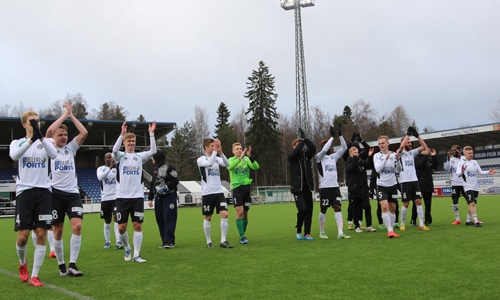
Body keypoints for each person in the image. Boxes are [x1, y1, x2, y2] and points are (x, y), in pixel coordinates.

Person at [9, 110, 57, 287]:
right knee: (23, 237)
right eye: (32, 122)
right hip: (25, 192)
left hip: (44, 192)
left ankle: (35, 275)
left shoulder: (47, 142)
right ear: (24, 124)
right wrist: (31, 140)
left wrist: (41, 138)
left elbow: (53, 155)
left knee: (41, 233)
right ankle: (23, 264)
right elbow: (14, 156)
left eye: (38, 121)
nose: (35, 124)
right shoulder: (17, 143)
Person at [44, 103, 88, 277]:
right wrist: (63, 115)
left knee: (77, 226)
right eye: (60, 134)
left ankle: (72, 264)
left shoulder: (71, 148)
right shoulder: (50, 148)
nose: (64, 137)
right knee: (58, 230)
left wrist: (72, 116)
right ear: (55, 137)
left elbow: (84, 133)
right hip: (55, 194)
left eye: (65, 134)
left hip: (72, 195)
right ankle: (61, 265)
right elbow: (47, 132)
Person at [112, 120, 157, 262]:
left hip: (137, 196)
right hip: (122, 197)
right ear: (124, 143)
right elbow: (113, 151)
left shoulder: (139, 157)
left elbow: (153, 151)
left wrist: (151, 134)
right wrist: (121, 134)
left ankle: (137, 254)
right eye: (129, 141)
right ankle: (127, 248)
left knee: (137, 225)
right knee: (121, 228)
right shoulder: (120, 156)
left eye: (133, 141)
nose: (131, 143)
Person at [316, 126, 350, 239]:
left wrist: (340, 136)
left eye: (331, 147)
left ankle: (340, 232)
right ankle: (321, 232)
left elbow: (344, 148)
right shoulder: (319, 157)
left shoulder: (333, 157)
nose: (329, 149)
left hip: (335, 187)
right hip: (324, 188)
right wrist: (331, 137)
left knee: (337, 207)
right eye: (328, 147)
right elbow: (324, 150)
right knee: (323, 209)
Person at [197, 138, 232, 248]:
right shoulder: (201, 159)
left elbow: (227, 164)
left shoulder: (217, 157)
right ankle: (208, 241)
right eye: (212, 146)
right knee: (208, 217)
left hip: (219, 192)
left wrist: (221, 152)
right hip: (207, 193)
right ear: (206, 147)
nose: (213, 148)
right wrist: (216, 152)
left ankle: (223, 240)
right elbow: (209, 163)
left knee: (225, 214)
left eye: (214, 146)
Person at [396, 126, 429, 231]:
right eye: (408, 142)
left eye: (410, 142)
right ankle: (402, 224)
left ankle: (421, 224)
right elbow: (401, 147)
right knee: (406, 203)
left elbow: (424, 146)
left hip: (415, 181)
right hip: (405, 182)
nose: (409, 143)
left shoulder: (412, 152)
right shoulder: (400, 153)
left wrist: (418, 136)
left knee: (418, 202)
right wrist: (407, 135)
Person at [227, 142, 260, 245]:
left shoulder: (246, 160)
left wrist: (250, 157)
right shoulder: (231, 160)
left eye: (240, 148)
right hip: (237, 188)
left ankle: (242, 234)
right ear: (233, 151)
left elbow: (256, 167)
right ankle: (242, 237)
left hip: (246, 189)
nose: (239, 150)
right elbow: (230, 167)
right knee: (239, 212)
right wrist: (239, 158)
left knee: (245, 213)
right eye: (237, 149)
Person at [455, 146, 496, 227]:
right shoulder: (461, 163)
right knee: (472, 203)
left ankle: (467, 220)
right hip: (468, 186)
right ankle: (476, 221)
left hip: (475, 186)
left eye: (472, 153)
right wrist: (462, 171)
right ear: (465, 153)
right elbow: (458, 174)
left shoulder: (475, 162)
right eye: (469, 153)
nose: (471, 154)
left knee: (472, 204)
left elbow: (480, 172)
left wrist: (488, 172)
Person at [343, 132, 375, 232]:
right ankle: (356, 226)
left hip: (363, 188)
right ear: (351, 153)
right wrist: (354, 159)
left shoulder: (361, 161)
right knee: (355, 208)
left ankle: (369, 225)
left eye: (357, 152)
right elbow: (351, 168)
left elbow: (367, 164)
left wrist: (368, 155)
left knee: (367, 207)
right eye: (355, 152)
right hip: (354, 189)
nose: (357, 154)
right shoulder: (348, 161)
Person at [288, 128, 316, 240]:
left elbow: (313, 148)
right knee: (302, 210)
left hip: (307, 188)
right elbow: (298, 150)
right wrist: (302, 141)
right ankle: (299, 229)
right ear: (294, 146)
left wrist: (306, 139)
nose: (301, 146)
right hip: (297, 189)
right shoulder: (292, 156)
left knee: (309, 212)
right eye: (298, 145)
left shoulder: (306, 156)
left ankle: (307, 233)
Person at [148, 150, 179, 249]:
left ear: (157, 158)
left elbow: (175, 180)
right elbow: (153, 183)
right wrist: (150, 197)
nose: (152, 159)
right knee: (160, 219)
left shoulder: (169, 167)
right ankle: (164, 240)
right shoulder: (155, 169)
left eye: (153, 157)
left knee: (169, 218)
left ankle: (169, 241)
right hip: (158, 197)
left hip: (169, 196)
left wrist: (166, 187)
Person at [373, 135, 402, 238]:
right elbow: (378, 169)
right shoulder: (377, 156)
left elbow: (398, 170)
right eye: (379, 144)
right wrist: (385, 159)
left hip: (392, 185)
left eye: (383, 143)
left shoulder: (394, 155)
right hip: (381, 185)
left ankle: (392, 229)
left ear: (388, 144)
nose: (381, 145)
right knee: (384, 207)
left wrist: (398, 160)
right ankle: (389, 230)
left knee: (393, 208)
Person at [96, 152, 123, 249]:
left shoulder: (118, 169)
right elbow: (100, 177)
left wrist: (115, 167)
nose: (110, 159)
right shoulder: (100, 169)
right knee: (107, 220)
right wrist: (110, 168)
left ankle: (118, 240)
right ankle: (107, 241)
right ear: (104, 159)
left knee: (116, 218)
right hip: (105, 198)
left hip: (116, 198)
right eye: (108, 157)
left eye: (111, 157)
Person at [415, 147, 439, 226]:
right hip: (419, 183)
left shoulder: (429, 158)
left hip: (428, 183)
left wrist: (434, 156)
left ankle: (428, 219)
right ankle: (413, 219)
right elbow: (419, 165)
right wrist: (425, 156)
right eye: (426, 149)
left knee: (428, 203)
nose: (428, 150)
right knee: (417, 202)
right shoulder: (416, 157)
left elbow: (435, 166)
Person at [443, 145, 467, 224]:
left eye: (454, 150)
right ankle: (457, 219)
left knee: (470, 200)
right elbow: (447, 169)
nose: (452, 152)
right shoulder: (451, 160)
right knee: (455, 199)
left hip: (465, 183)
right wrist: (448, 159)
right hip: (455, 183)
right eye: (452, 150)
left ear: (459, 150)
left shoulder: (465, 158)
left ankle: (472, 217)